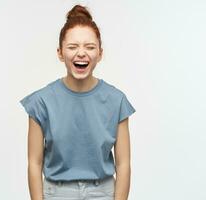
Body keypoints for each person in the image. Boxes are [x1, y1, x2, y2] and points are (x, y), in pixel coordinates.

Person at [19, 4, 136, 200]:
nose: (81, 53)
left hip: (103, 192)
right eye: (72, 47)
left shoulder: (117, 101)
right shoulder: (41, 102)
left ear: (100, 53)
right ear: (59, 52)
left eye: (89, 47)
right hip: (56, 192)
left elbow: (123, 165)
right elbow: (34, 163)